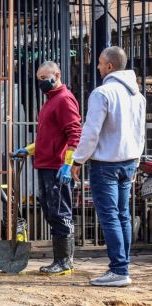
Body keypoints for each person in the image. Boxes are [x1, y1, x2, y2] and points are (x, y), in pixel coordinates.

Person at [71, 46, 145, 287]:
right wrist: (135, 160)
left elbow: (91, 132)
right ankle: (122, 267)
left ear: (110, 66)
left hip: (105, 166)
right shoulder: (138, 96)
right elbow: (140, 133)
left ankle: (118, 269)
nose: (98, 67)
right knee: (123, 215)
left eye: (101, 63)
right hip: (129, 162)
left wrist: (78, 160)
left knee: (110, 217)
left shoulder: (102, 93)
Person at [12, 61, 81, 275]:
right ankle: (60, 260)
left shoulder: (63, 100)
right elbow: (48, 137)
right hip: (45, 165)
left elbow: (75, 134)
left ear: (57, 75)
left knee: (60, 213)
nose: (41, 83)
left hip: (56, 168)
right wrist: (29, 149)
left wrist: (68, 165)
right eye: (39, 79)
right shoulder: (50, 101)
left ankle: (64, 263)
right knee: (51, 212)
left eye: (45, 78)